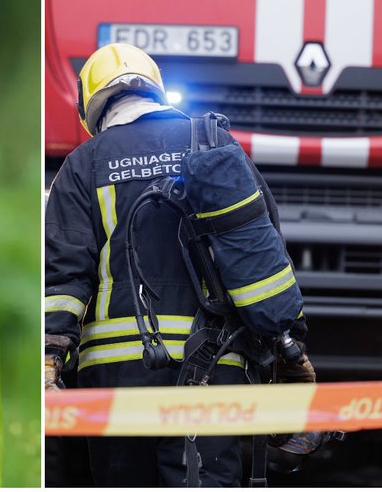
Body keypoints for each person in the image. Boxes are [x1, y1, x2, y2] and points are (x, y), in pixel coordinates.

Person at [44, 43, 314, 487]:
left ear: (90, 107)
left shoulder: (83, 164)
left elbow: (63, 271)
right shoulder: (213, 145)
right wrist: (290, 346)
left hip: (117, 372)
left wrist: (49, 358)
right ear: (155, 89)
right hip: (213, 365)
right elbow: (263, 253)